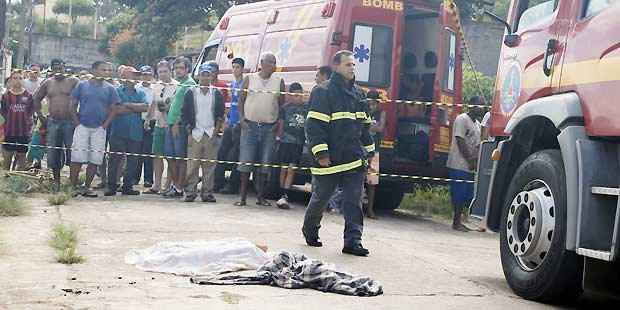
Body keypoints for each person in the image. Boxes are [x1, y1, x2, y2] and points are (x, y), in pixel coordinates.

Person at [302, 50, 375, 257]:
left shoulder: (359, 94)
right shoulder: (322, 91)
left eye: (353, 65)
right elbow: (314, 126)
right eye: (347, 64)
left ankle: (353, 241)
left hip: (353, 158)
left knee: (353, 200)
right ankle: (310, 230)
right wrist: (321, 154)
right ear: (336, 66)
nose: (352, 68)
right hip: (330, 158)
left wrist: (370, 153)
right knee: (321, 198)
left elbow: (365, 128)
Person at [235, 53, 285, 206]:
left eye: (274, 63)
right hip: (249, 125)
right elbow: (241, 100)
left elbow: (281, 104)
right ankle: (242, 197)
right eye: (269, 62)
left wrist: (277, 124)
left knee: (265, 162)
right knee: (246, 161)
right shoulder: (250, 79)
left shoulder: (279, 81)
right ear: (261, 63)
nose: (272, 65)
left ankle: (260, 197)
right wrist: (242, 119)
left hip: (269, 127)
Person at [70, 61, 120, 197]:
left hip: (99, 128)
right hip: (82, 126)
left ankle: (86, 187)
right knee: (77, 157)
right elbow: (73, 104)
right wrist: (77, 123)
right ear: (94, 70)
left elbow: (114, 109)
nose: (107, 73)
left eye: (109, 70)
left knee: (95, 159)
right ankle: (72, 187)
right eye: (104, 70)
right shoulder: (82, 85)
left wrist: (105, 125)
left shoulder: (110, 89)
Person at [33, 58, 80, 191]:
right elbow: (36, 98)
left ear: (65, 68)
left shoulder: (73, 81)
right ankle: (56, 182)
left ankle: (72, 183)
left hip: (70, 122)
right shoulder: (48, 83)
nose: (58, 69)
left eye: (61, 67)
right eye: (55, 67)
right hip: (53, 122)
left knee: (72, 152)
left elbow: (83, 98)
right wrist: (41, 117)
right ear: (52, 69)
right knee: (53, 152)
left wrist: (77, 119)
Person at [181, 62, 225, 203]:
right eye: (203, 75)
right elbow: (185, 113)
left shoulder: (216, 93)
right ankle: (190, 192)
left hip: (210, 132)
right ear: (198, 76)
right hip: (195, 132)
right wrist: (189, 131)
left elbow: (220, 114)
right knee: (192, 165)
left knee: (209, 166)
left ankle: (207, 192)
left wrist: (216, 131)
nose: (205, 78)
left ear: (211, 77)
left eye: (208, 75)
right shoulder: (191, 92)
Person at [103, 66, 149, 196]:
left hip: (135, 132)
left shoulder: (140, 92)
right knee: (114, 160)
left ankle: (127, 187)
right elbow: (116, 110)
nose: (136, 78)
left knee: (133, 161)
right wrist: (135, 107)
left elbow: (145, 107)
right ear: (124, 77)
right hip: (118, 131)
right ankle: (111, 186)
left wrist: (127, 105)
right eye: (133, 75)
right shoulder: (115, 91)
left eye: (136, 75)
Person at [446, 96, 484, 232]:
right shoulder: (462, 119)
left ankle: (461, 219)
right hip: (459, 163)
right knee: (459, 193)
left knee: (468, 195)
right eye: (479, 105)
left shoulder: (478, 124)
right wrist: (469, 159)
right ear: (471, 105)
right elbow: (460, 140)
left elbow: (478, 144)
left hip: (470, 166)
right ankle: (456, 222)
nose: (481, 108)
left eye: (483, 106)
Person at [162, 57, 197, 198]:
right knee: (169, 155)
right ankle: (176, 185)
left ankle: (179, 186)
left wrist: (177, 122)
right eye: (176, 68)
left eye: (181, 68)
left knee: (180, 157)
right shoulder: (180, 84)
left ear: (188, 69)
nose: (178, 71)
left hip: (179, 125)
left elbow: (187, 107)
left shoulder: (190, 84)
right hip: (170, 124)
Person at [144, 60, 177, 195]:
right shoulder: (156, 86)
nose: (162, 74)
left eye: (165, 71)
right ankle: (156, 185)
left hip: (170, 125)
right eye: (160, 72)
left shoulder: (176, 86)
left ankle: (167, 185)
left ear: (170, 71)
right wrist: (147, 118)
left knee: (170, 157)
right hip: (158, 124)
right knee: (157, 155)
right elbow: (153, 103)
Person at [214, 57, 244, 194]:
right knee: (222, 153)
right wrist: (227, 120)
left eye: (237, 67)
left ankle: (232, 185)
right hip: (230, 123)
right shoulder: (232, 84)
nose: (235, 70)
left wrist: (240, 121)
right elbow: (230, 104)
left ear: (242, 69)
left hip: (240, 125)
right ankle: (217, 182)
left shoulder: (245, 84)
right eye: (233, 67)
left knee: (236, 155)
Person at [275, 82, 306, 210]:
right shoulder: (285, 108)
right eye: (295, 95)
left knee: (292, 168)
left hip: (298, 143)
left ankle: (286, 194)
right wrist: (278, 137)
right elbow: (281, 124)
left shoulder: (306, 109)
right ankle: (281, 193)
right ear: (290, 96)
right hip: (285, 142)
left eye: (300, 95)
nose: (297, 98)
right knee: (283, 168)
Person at [1, 71, 39, 170]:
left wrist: (30, 128)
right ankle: (6, 177)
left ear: (23, 80)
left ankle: (19, 177)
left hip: (24, 131)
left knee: (22, 156)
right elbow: (3, 112)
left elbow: (31, 112)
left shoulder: (28, 96)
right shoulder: (6, 96)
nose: (18, 80)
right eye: (15, 78)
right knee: (8, 156)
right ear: (11, 80)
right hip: (10, 131)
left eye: (20, 78)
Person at [364, 90, 385, 220]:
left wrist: (367, 126)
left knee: (372, 182)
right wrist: (372, 126)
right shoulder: (363, 112)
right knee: (357, 179)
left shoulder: (381, 113)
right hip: (361, 149)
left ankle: (370, 210)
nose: (371, 106)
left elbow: (380, 128)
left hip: (374, 150)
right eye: (369, 103)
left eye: (373, 103)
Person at [135, 65, 155, 188]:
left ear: (152, 76)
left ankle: (148, 179)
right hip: (138, 120)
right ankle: (134, 178)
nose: (146, 77)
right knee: (136, 151)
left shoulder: (156, 89)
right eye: (144, 74)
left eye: (148, 74)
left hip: (151, 122)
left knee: (148, 152)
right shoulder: (136, 88)